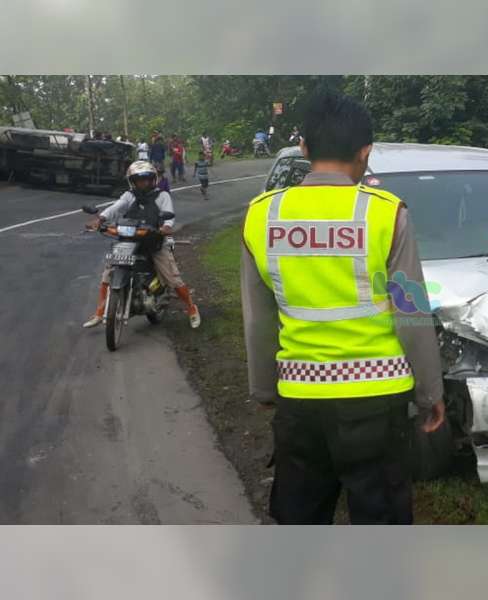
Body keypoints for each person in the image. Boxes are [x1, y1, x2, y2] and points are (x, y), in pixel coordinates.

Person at [241, 89, 446, 525]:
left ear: (304, 148)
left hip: (300, 398)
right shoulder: (386, 214)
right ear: (365, 152)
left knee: (299, 519)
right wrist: (431, 393)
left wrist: (263, 388)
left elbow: (258, 319)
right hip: (377, 400)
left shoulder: (262, 215)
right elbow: (411, 314)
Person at [82, 160, 201, 329]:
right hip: (129, 240)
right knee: (107, 276)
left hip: (154, 241)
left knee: (173, 279)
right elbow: (116, 208)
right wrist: (100, 219)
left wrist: (166, 227)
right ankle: (99, 313)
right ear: (133, 181)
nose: (144, 182)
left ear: (153, 179)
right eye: (139, 179)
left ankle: (191, 309)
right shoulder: (129, 195)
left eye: (147, 179)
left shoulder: (162, 196)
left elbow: (170, 216)